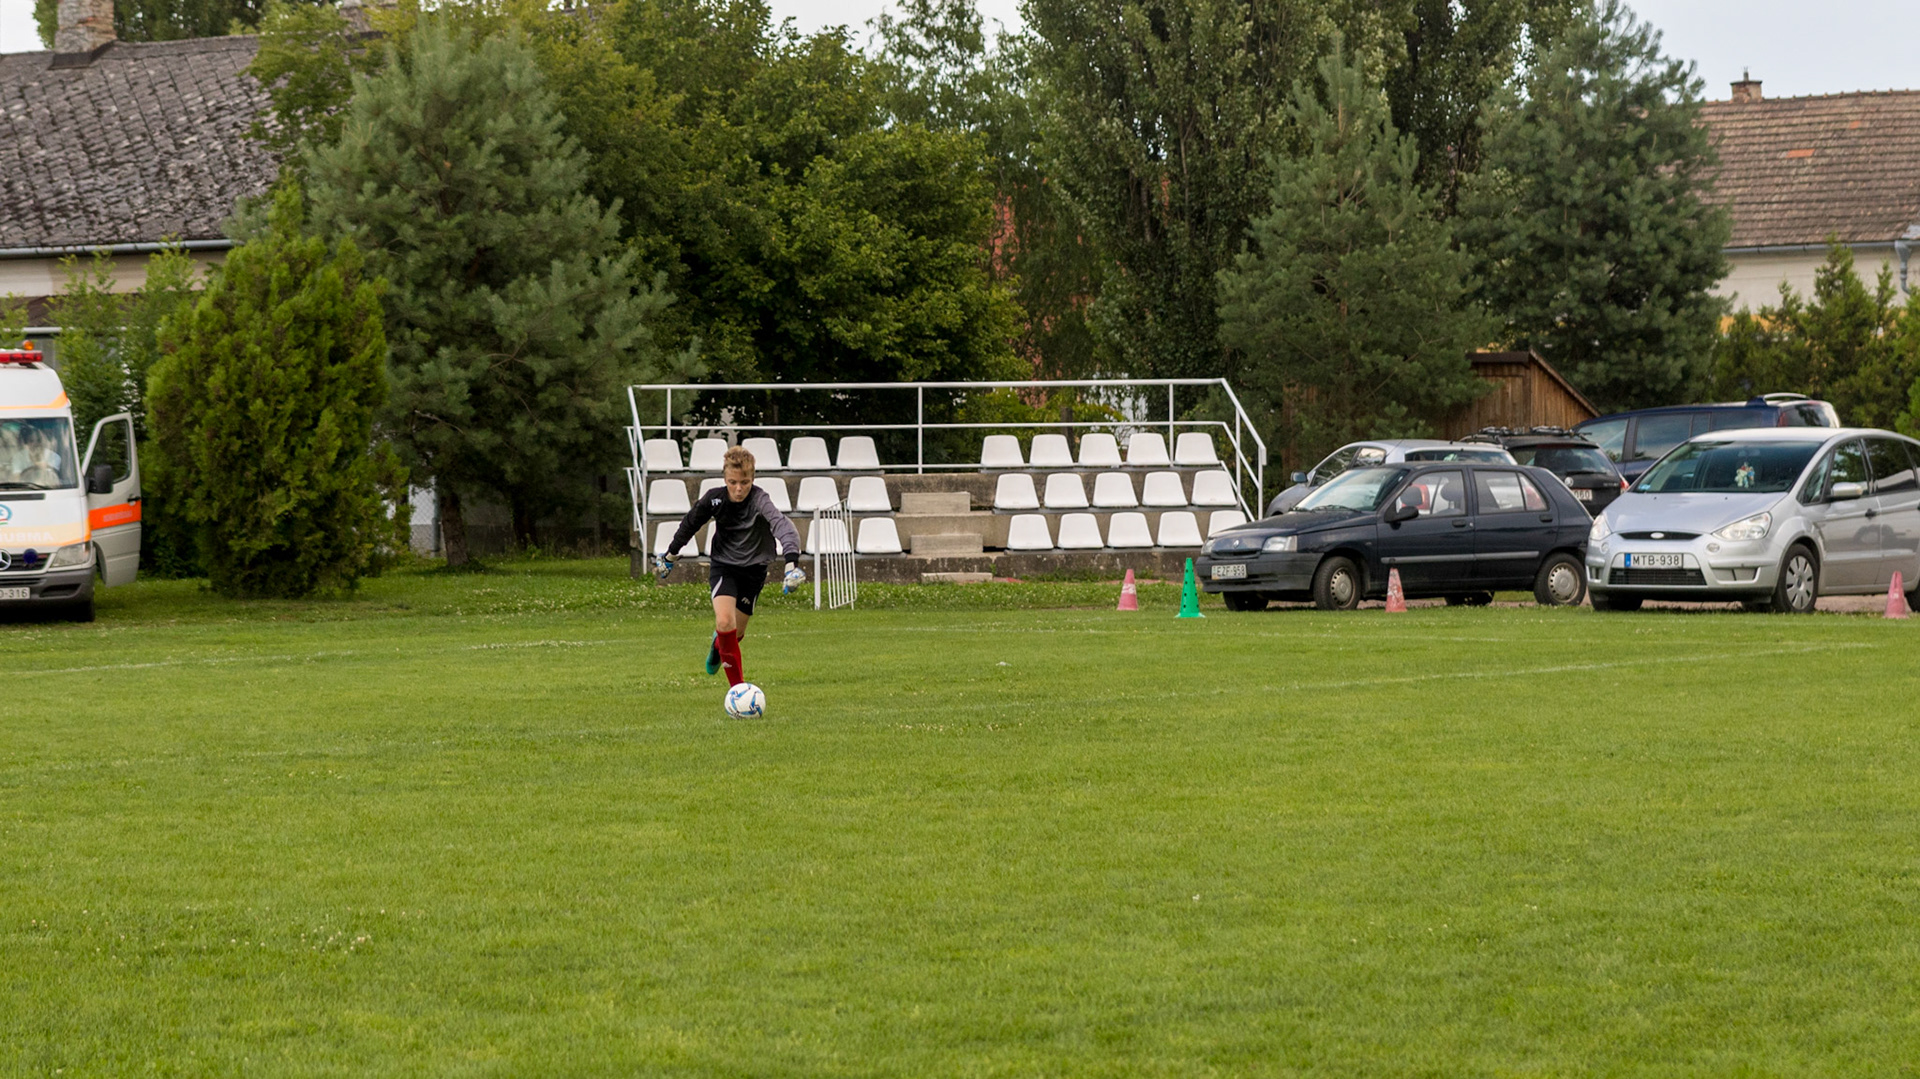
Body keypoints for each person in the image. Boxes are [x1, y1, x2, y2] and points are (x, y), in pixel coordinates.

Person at [653, 446, 804, 686]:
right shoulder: (715, 499)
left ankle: (717, 647)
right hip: (724, 566)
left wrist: (791, 565)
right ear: (725, 479)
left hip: (754, 571)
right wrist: (670, 555)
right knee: (725, 622)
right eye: (733, 482)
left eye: (744, 482)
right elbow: (691, 523)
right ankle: (738, 691)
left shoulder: (760, 500)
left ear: (752, 479)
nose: (738, 488)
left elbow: (783, 526)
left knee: (736, 633)